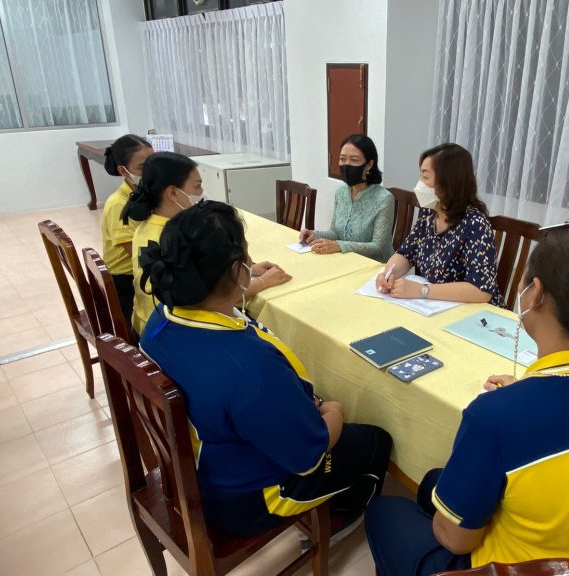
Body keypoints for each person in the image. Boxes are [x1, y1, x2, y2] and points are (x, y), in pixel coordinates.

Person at [365, 221, 569, 575]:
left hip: (515, 567)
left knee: (388, 509)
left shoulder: (494, 416)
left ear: (536, 293)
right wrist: (525, 396)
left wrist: (516, 405)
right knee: (435, 483)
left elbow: (454, 540)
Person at [138, 200, 392, 538]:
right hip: (248, 499)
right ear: (236, 271)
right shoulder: (248, 369)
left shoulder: (160, 319)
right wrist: (335, 412)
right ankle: (339, 518)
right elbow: (309, 456)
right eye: (247, 255)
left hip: (208, 461)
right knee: (375, 440)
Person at [122, 152, 291, 335]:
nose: (202, 193)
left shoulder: (151, 225)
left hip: (152, 324)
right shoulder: (171, 238)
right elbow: (207, 298)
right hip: (176, 330)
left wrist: (246, 268)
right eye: (197, 186)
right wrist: (263, 282)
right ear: (172, 193)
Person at [375, 143, 503, 305]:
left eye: (425, 177)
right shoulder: (429, 213)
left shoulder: (476, 224)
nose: (419, 184)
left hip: (471, 314)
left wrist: (422, 290)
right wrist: (388, 274)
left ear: (449, 182)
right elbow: (406, 254)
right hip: (435, 307)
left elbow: (481, 291)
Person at [299, 134, 394, 262]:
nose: (346, 165)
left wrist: (340, 246)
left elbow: (379, 247)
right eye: (342, 159)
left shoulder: (384, 199)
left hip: (374, 267)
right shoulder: (341, 193)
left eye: (354, 160)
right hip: (345, 260)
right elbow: (335, 233)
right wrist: (315, 234)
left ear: (369, 164)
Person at [101, 134, 153, 324]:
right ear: (123, 171)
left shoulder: (145, 195)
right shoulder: (118, 204)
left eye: (153, 163)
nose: (150, 171)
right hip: (126, 281)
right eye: (142, 167)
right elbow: (139, 255)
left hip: (141, 270)